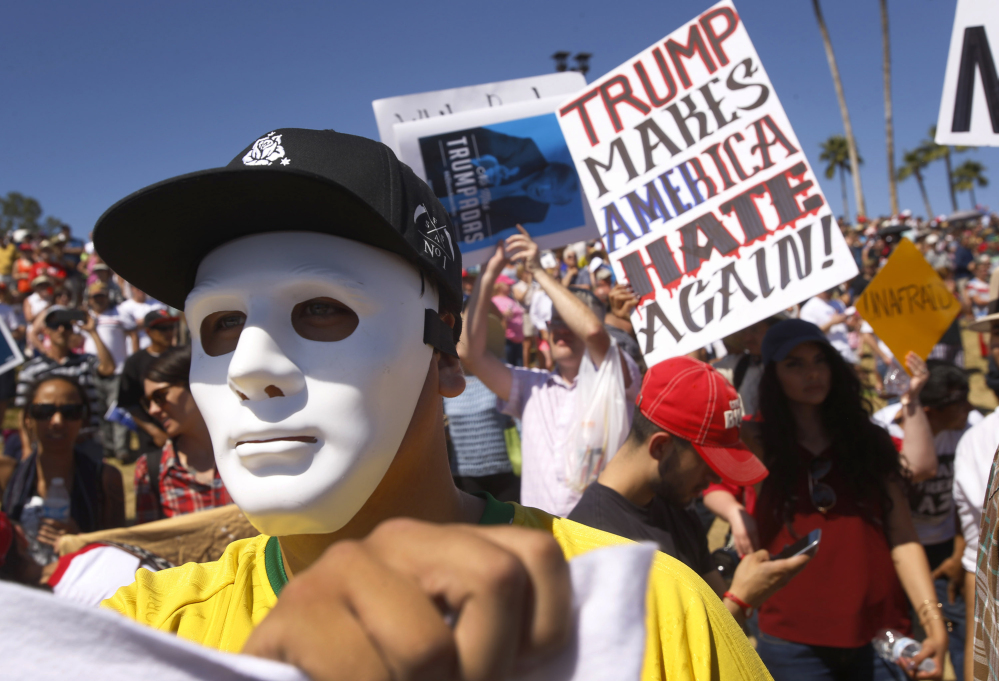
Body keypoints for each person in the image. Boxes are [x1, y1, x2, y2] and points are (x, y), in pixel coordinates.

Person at [94, 128, 768, 680]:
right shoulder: (143, 641)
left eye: (321, 309)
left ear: (446, 356)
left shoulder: (647, 613)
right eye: (221, 324)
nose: (251, 369)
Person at [750, 319, 948, 680]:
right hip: (792, 642)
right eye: (794, 364)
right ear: (772, 375)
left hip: (880, 634)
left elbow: (903, 537)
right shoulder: (756, 445)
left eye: (819, 360)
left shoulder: (869, 441)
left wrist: (932, 618)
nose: (812, 373)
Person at [569, 356, 810, 627]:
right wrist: (742, 599)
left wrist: (740, 594)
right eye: (709, 461)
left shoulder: (677, 506)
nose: (716, 477)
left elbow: (714, 606)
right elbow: (666, 664)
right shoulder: (594, 541)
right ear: (660, 447)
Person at [463, 227, 641, 517]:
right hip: (545, 542)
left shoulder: (616, 376)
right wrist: (488, 274)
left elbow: (595, 332)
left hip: (601, 537)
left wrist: (540, 273)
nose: (559, 329)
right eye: (552, 322)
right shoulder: (531, 386)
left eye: (568, 321)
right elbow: (469, 354)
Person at [873, 359, 979, 680]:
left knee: (958, 630)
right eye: (956, 402)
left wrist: (959, 556)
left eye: (966, 397)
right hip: (897, 552)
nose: (968, 407)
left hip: (947, 551)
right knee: (903, 638)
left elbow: (971, 500)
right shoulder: (882, 432)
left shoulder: (970, 428)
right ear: (929, 411)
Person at [1, 375, 125, 548]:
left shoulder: (105, 478)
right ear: (28, 419)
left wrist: (82, 541)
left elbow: (120, 549)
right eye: (44, 411)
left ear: (84, 419)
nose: (57, 421)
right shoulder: (7, 473)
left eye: (70, 412)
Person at [133, 346, 231, 523]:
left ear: (194, 383)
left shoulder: (250, 452)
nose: (153, 410)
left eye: (160, 396)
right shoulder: (150, 471)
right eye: (147, 402)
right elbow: (149, 546)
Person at [15, 306, 115, 442]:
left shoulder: (85, 362)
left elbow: (108, 368)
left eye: (66, 325)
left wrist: (92, 331)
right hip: (47, 440)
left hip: (85, 439)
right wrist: (26, 446)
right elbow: (23, 412)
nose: (61, 330)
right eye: (55, 325)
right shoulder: (32, 368)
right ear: (46, 331)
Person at [118, 309, 177, 464]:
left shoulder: (182, 356)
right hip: (151, 437)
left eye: (171, 327)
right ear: (149, 332)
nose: (169, 332)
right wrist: (154, 432)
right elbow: (129, 403)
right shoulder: (135, 362)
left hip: (182, 431)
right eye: (163, 329)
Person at [798, 288, 858, 364]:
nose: (830, 293)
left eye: (832, 290)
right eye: (827, 291)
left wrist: (852, 323)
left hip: (847, 350)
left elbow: (847, 328)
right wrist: (832, 322)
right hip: (828, 354)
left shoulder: (838, 303)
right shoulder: (808, 309)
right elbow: (810, 334)